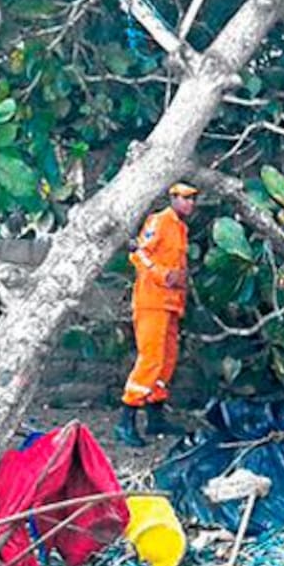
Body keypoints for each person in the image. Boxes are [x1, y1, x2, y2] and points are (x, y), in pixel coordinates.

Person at [115, 182, 198, 446]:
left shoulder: (181, 228)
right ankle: (125, 420)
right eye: (185, 198)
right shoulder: (159, 221)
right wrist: (163, 275)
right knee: (150, 359)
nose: (190, 204)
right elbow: (138, 255)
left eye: (193, 199)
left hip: (171, 304)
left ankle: (155, 417)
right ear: (172, 198)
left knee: (167, 360)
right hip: (152, 302)